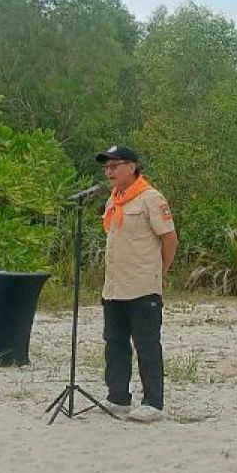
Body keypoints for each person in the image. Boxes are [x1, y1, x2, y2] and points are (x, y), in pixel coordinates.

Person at [96, 144, 178, 422]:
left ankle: (153, 402)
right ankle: (118, 397)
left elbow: (169, 240)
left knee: (146, 344)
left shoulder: (150, 198)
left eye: (114, 166)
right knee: (114, 342)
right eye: (106, 167)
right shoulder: (113, 200)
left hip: (143, 286)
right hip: (114, 286)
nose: (109, 171)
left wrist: (159, 271)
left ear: (131, 166)